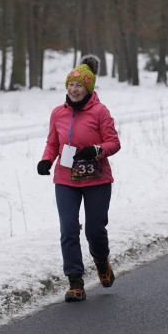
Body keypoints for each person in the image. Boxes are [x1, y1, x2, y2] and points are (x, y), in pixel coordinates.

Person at [38, 55, 122, 302]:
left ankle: (101, 261)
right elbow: (53, 142)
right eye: (71, 85)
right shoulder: (57, 113)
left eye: (79, 86)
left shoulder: (100, 111)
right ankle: (75, 281)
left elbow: (114, 143)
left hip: (97, 178)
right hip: (66, 179)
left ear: (89, 88)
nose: (74, 90)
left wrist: (96, 150)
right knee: (69, 229)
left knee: (95, 230)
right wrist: (46, 160)